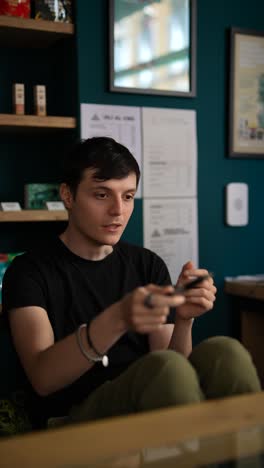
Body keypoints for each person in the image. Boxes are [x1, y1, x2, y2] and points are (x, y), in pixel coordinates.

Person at [2, 137, 261, 429]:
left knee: (226, 352)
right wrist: (119, 317)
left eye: (127, 196)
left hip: (150, 400)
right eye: (102, 195)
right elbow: (43, 379)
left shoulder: (147, 264)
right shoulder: (28, 271)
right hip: (72, 418)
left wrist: (184, 320)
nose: (118, 210)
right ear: (68, 195)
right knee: (167, 369)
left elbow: (176, 369)